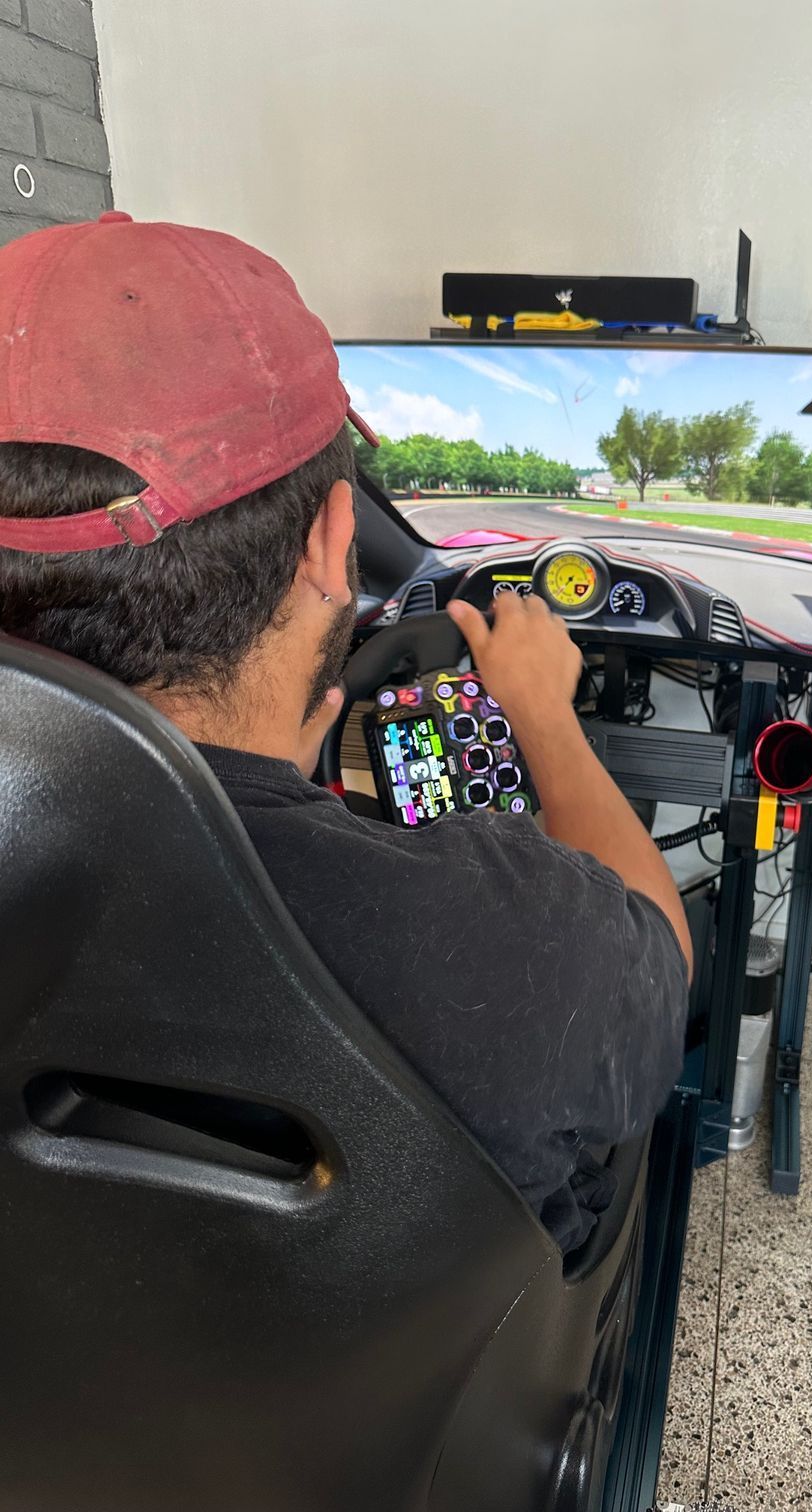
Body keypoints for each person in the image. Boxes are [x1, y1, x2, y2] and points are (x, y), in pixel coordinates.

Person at [0, 212, 692, 1254]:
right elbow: (664, 956)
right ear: (336, 541)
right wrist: (544, 714)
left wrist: (281, 769)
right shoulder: (519, 937)